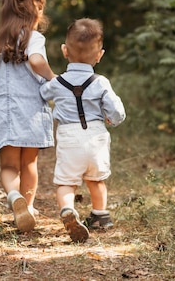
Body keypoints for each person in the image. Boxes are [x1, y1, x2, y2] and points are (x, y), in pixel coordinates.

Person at [40, 18, 126, 242]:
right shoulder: (101, 82)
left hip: (69, 136)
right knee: (96, 180)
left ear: (64, 51)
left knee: (66, 183)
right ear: (100, 55)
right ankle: (100, 215)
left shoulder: (58, 83)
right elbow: (116, 110)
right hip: (96, 135)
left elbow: (42, 94)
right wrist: (112, 119)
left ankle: (68, 210)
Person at [0, 0, 56, 233]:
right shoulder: (35, 39)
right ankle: (30, 206)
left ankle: (14, 198)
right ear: (36, 12)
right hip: (32, 111)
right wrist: (53, 79)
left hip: (5, 112)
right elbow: (35, 62)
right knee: (29, 165)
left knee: (9, 166)